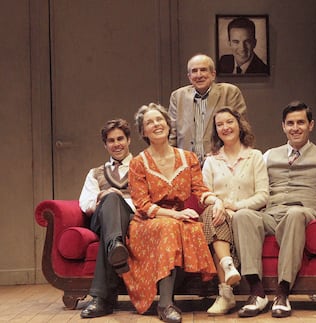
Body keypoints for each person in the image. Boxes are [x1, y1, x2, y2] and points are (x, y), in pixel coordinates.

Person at [232, 101, 316, 318]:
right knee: (243, 216)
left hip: (304, 213)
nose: (295, 128)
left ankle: (283, 293)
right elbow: (247, 180)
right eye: (290, 123)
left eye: (300, 123)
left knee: (294, 214)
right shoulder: (268, 155)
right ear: (283, 127)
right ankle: (257, 292)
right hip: (271, 214)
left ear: (311, 125)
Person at [123, 103, 227, 323]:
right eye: (149, 122)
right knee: (170, 226)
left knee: (198, 226)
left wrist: (216, 201)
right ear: (143, 132)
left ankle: (219, 292)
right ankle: (165, 304)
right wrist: (172, 215)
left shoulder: (188, 158)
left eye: (159, 120)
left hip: (179, 218)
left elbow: (200, 191)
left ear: (168, 125)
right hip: (148, 221)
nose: (156, 124)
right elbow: (141, 203)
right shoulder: (138, 163)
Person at [201, 107, 269, 315]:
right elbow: (203, 193)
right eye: (219, 124)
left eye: (229, 122)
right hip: (219, 215)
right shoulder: (211, 160)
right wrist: (218, 203)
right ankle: (228, 265)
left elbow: (263, 195)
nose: (225, 127)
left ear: (239, 125)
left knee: (220, 217)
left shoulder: (255, 156)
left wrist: (236, 207)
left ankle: (226, 294)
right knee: (212, 212)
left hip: (246, 217)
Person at [79, 119, 135, 318]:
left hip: (133, 221)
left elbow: (150, 200)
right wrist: (103, 196)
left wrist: (122, 199)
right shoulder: (95, 173)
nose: (116, 144)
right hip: (101, 221)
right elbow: (85, 204)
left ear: (129, 140)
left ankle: (101, 299)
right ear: (105, 145)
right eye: (111, 140)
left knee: (112, 233)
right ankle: (116, 245)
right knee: (110, 197)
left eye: (120, 138)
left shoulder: (142, 168)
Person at [168, 54, 247, 164]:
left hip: (221, 164)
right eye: (194, 71)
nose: (199, 75)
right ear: (189, 77)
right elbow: (172, 134)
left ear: (213, 74)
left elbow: (240, 130)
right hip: (185, 165)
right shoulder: (177, 96)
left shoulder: (229, 93)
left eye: (203, 70)